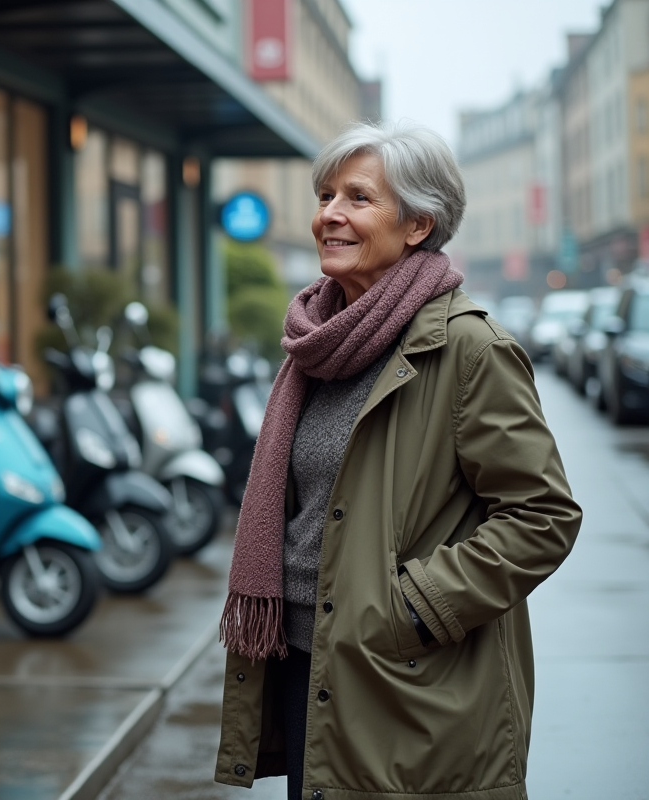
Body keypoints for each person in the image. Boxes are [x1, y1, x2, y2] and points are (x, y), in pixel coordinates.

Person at [214, 120, 582, 800]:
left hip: (409, 679)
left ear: (418, 224)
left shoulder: (470, 349)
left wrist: (410, 609)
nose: (329, 214)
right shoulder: (317, 345)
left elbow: (543, 516)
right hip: (306, 664)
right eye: (326, 195)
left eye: (357, 198)